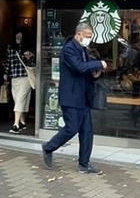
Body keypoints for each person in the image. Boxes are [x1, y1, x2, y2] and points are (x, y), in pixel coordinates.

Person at [41, 22, 107, 175]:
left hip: (83, 97)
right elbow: (79, 67)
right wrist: (99, 63)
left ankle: (84, 164)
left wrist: (95, 73)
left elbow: (85, 71)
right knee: (72, 128)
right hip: (71, 96)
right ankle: (49, 147)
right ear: (78, 34)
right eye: (87, 36)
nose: (89, 39)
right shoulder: (69, 49)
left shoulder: (83, 49)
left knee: (87, 131)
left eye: (90, 37)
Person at [2, 28, 35, 134]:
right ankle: (22, 121)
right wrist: (6, 73)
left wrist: (28, 56)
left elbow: (33, 63)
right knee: (17, 100)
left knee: (20, 99)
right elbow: (8, 61)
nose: (18, 36)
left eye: (21, 35)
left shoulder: (28, 47)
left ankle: (15, 124)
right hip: (14, 77)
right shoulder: (10, 47)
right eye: (17, 34)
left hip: (25, 77)